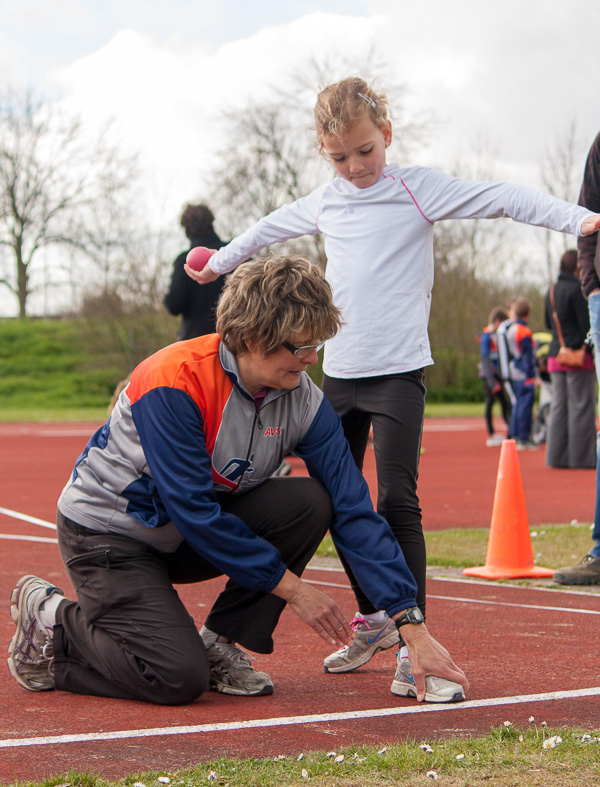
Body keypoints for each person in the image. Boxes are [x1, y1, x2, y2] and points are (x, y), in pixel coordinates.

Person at [185, 75, 600, 686]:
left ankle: (413, 642)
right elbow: (267, 230)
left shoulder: (418, 188)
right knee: (335, 502)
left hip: (398, 372)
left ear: (386, 134)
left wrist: (579, 218)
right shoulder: (327, 200)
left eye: (365, 151)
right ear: (324, 153)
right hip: (336, 377)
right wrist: (216, 263)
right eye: (340, 157)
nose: (355, 166)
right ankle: (376, 617)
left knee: (395, 502)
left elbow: (502, 197)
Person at [8, 256, 468, 706]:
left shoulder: (304, 401)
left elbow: (353, 507)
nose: (311, 360)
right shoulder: (175, 382)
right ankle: (54, 622)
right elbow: (195, 513)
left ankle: (221, 642)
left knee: (311, 500)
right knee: (176, 678)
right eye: (300, 347)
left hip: (186, 535)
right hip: (111, 539)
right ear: (252, 338)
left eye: (318, 346)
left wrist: (411, 624)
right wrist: (294, 590)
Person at [554, 132, 600, 584]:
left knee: (571, 412)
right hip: (583, 338)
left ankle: (564, 456)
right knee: (585, 414)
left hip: (565, 352)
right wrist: (594, 289)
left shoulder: (555, 287)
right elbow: (587, 217)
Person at [544, 249, 596, 469]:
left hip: (556, 356)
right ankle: (582, 460)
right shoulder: (579, 289)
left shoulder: (551, 290)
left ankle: (556, 458)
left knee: (558, 408)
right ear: (577, 267)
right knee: (581, 407)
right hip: (577, 357)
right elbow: (587, 326)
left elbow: (548, 323)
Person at [164, 203, 227, 340]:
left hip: (196, 341)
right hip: (235, 338)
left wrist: (167, 298)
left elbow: (174, 305)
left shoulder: (183, 261)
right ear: (211, 223)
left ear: (186, 230)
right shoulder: (233, 254)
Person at [504, 299, 538, 450]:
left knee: (518, 405)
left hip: (514, 369)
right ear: (528, 314)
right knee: (525, 406)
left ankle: (515, 435)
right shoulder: (524, 331)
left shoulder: (511, 329)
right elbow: (527, 356)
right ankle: (524, 438)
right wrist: (531, 375)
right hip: (523, 372)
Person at [478, 307, 511, 446]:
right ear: (498, 322)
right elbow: (485, 360)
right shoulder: (487, 336)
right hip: (490, 376)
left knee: (505, 403)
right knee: (491, 402)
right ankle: (491, 434)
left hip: (498, 375)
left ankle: (511, 430)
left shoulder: (496, 336)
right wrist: (492, 382)